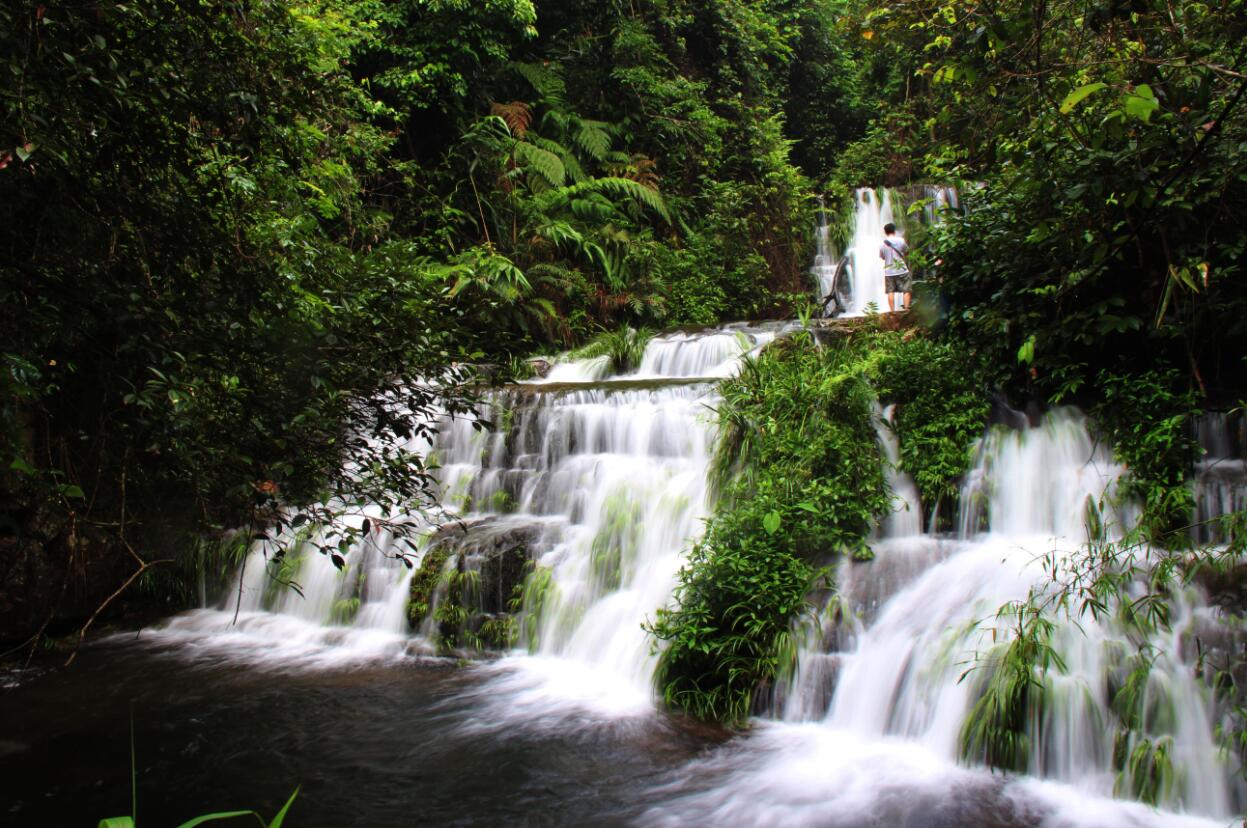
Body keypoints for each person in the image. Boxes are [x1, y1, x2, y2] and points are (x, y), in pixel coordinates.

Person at [879, 223, 910, 312]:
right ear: (894, 231)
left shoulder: (882, 244)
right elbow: (907, 251)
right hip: (902, 270)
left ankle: (892, 312)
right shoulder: (901, 241)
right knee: (906, 290)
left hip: (889, 272)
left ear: (885, 232)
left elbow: (882, 257)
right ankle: (906, 310)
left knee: (890, 291)